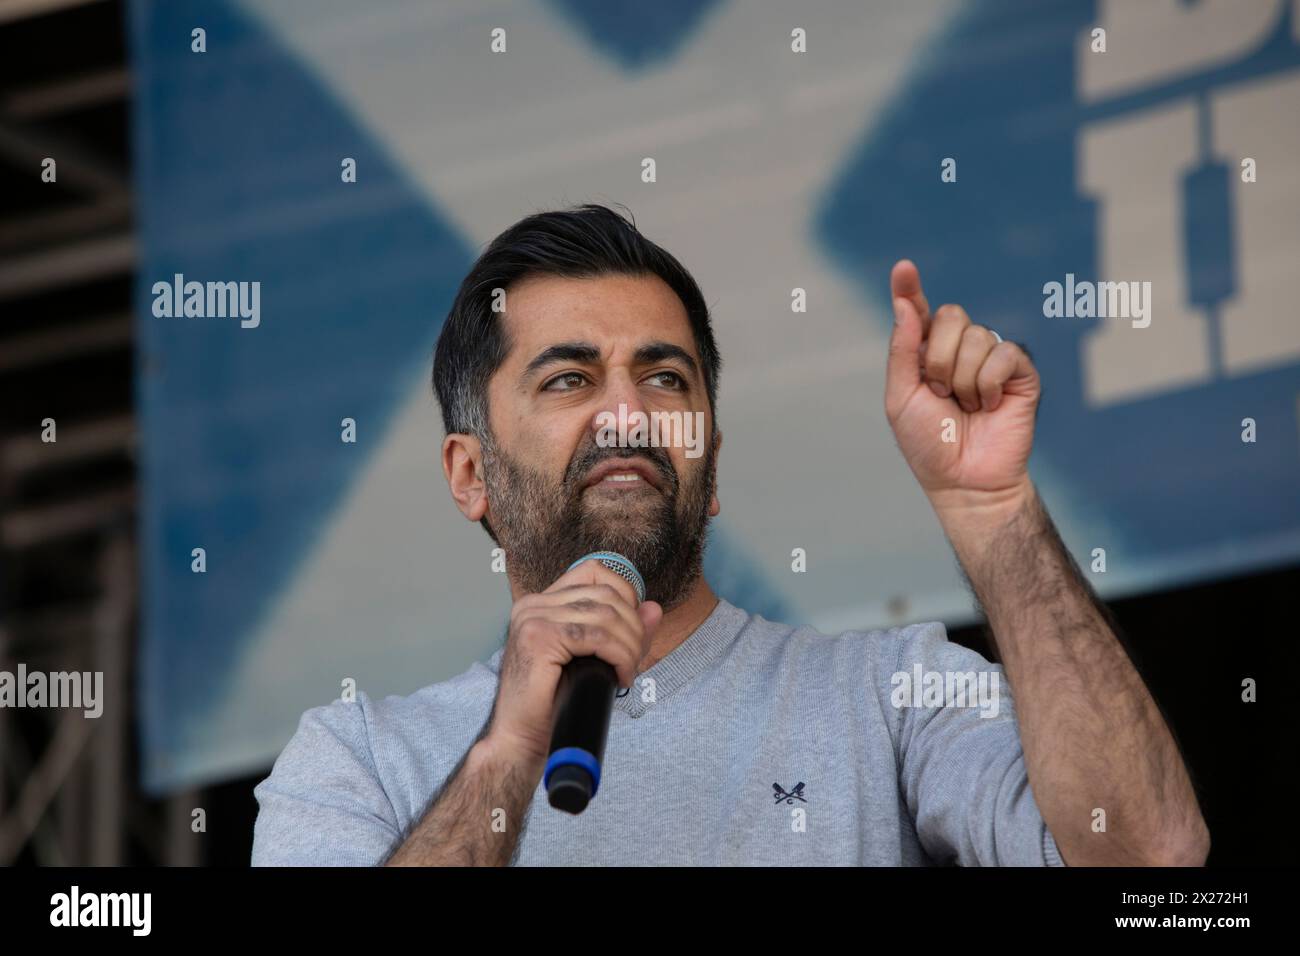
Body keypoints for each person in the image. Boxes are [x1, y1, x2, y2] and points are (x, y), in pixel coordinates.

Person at [251, 203, 1209, 866]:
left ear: (709, 465)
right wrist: (508, 749)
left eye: (665, 378)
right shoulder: (358, 757)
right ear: (470, 476)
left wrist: (993, 512)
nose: (629, 412)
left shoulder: (889, 697)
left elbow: (1153, 860)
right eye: (569, 379)